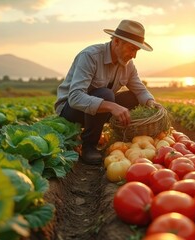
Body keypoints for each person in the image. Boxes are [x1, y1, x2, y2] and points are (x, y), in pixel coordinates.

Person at [54, 19, 161, 165]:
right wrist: (112, 106)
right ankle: (89, 146)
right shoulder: (90, 56)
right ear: (116, 41)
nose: (134, 55)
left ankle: (122, 138)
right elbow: (75, 97)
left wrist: (152, 103)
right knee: (106, 95)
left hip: (97, 111)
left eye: (137, 50)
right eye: (132, 49)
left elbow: (140, 90)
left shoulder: (128, 65)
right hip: (71, 110)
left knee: (134, 97)